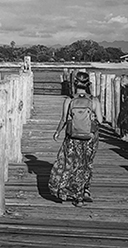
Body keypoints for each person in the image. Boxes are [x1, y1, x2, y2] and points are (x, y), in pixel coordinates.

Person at [48, 71, 103, 207]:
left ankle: (72, 193)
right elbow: (101, 121)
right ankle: (84, 191)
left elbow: (64, 119)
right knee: (86, 164)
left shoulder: (69, 100)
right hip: (90, 137)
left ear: (74, 84)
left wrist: (57, 132)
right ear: (88, 84)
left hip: (72, 137)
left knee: (71, 163)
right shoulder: (94, 100)